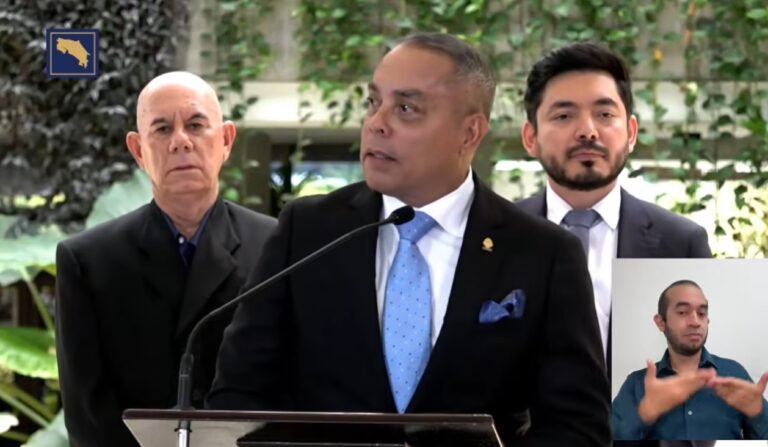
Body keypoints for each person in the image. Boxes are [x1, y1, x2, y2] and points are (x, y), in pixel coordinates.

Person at [208, 32, 610, 446]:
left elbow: (577, 427)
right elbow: (238, 398)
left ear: (470, 132)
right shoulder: (308, 231)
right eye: (373, 102)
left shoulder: (543, 253)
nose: (376, 123)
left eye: (406, 108)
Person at [55, 71, 277, 447]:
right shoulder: (88, 260)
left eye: (195, 125)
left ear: (225, 140)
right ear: (138, 150)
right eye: (161, 129)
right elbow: (86, 410)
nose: (180, 141)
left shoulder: (277, 246)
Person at [515, 42, 712, 377]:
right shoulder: (492, 235)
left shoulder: (681, 242)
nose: (587, 131)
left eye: (605, 114)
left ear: (631, 133)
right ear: (531, 137)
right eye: (564, 116)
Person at [612, 280, 768, 440]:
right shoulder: (637, 384)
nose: (695, 322)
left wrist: (758, 414)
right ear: (661, 322)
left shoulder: (734, 374)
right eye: (682, 312)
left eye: (702, 313)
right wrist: (643, 415)